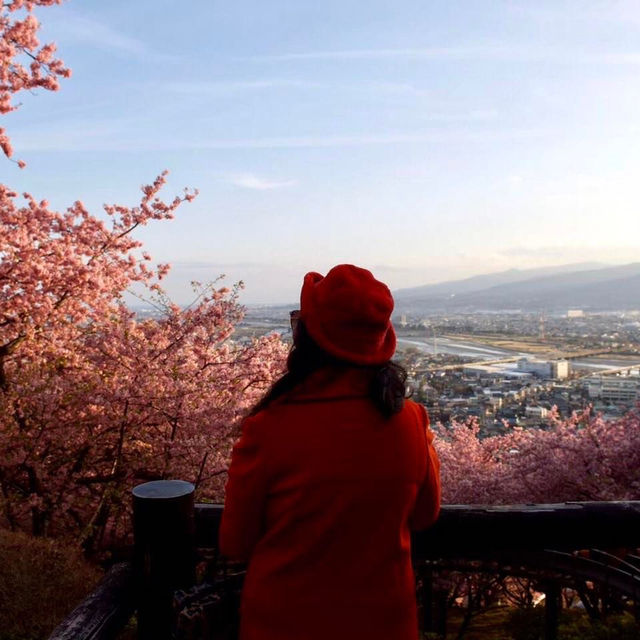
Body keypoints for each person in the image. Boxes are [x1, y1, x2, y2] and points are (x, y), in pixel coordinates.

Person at [219, 264, 441, 640]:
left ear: (307, 339)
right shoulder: (410, 421)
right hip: (384, 622)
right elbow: (425, 515)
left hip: (283, 623)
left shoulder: (270, 427)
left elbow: (235, 543)